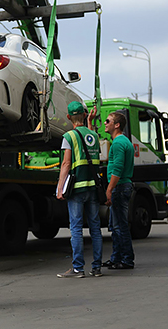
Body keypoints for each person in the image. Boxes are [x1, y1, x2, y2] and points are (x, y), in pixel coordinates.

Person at [56, 101, 103, 278]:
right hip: (93, 187)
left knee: (76, 228)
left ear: (68, 117)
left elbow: (66, 163)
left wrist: (60, 188)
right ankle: (97, 267)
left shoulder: (69, 137)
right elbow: (89, 143)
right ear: (84, 115)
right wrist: (90, 122)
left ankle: (78, 268)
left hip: (76, 190)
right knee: (95, 227)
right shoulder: (94, 136)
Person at [102, 112, 135, 270]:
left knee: (120, 226)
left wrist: (109, 189)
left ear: (117, 125)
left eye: (108, 120)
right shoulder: (123, 141)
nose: (104, 123)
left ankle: (127, 259)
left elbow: (118, 168)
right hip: (121, 186)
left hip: (120, 187)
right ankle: (116, 258)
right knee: (115, 226)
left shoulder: (118, 143)